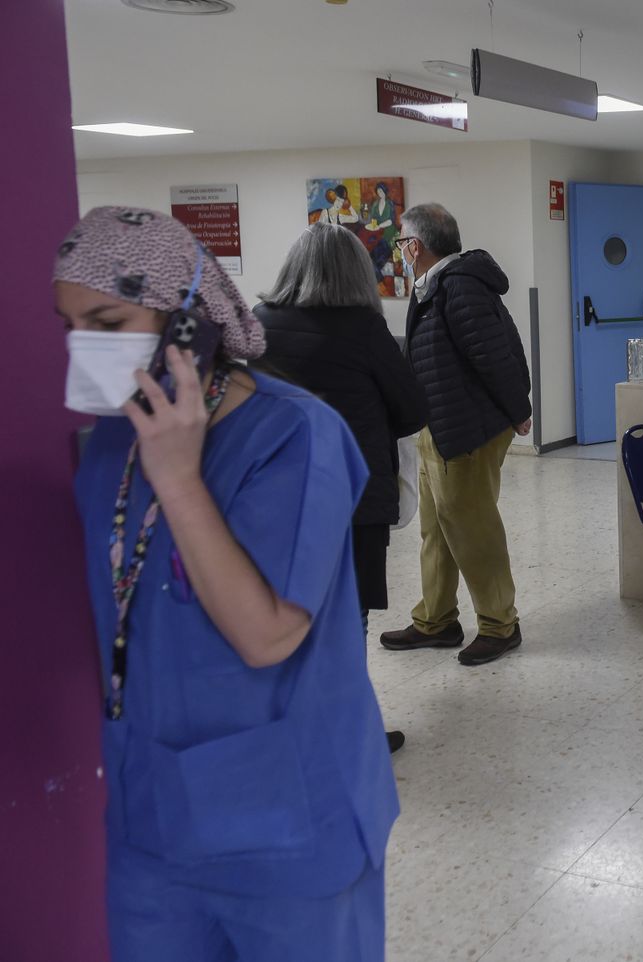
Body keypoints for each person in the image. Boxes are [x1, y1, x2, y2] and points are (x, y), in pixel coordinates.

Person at [59, 207, 396, 960]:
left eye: (109, 322)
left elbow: (267, 633)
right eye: (72, 325)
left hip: (288, 818)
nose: (86, 348)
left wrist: (179, 482)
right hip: (150, 817)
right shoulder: (114, 441)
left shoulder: (296, 435)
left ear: (190, 317)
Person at [256, 221, 429, 752]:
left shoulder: (259, 323)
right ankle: (349, 734)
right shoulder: (363, 329)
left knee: (288, 614)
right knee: (345, 618)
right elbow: (412, 410)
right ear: (357, 272)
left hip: (275, 498)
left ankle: (289, 725)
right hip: (350, 499)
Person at [378, 203, 533, 667]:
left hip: (467, 429)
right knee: (437, 528)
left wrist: (518, 410)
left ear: (416, 245)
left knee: (472, 527)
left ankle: (500, 624)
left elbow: (494, 356)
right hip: (439, 424)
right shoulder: (435, 287)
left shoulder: (459, 287)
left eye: (401, 241)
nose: (400, 250)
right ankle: (436, 620)